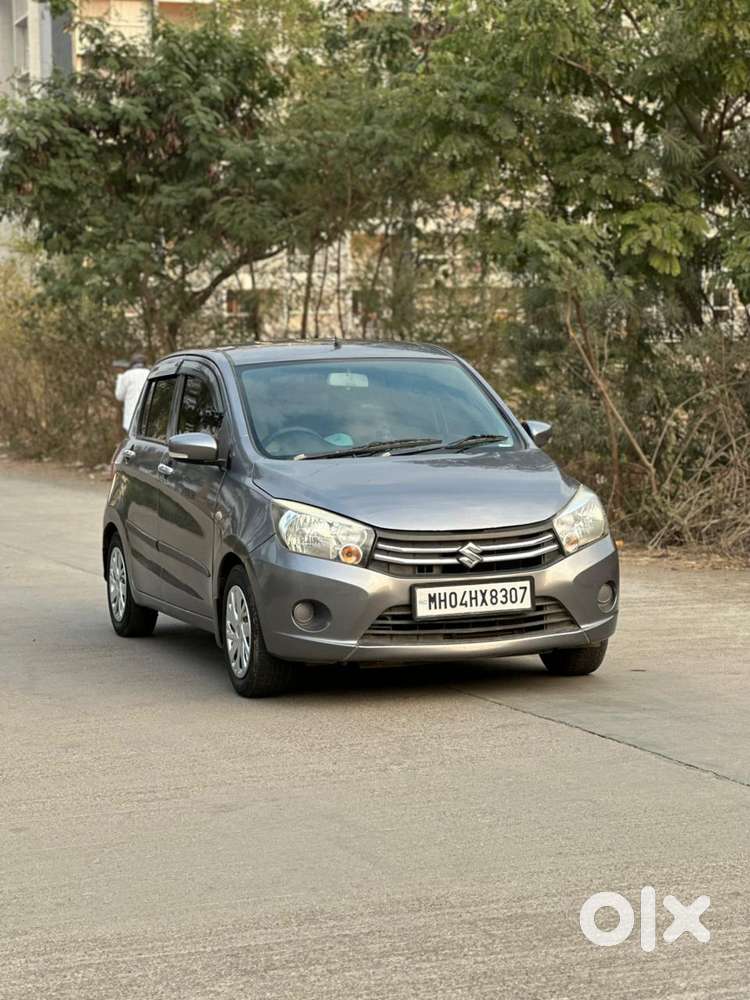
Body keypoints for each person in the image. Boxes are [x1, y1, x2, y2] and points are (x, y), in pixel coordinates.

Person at [115, 352, 149, 433]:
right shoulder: (149, 372)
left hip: (130, 419)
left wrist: (120, 377)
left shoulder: (127, 375)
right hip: (147, 417)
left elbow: (119, 396)